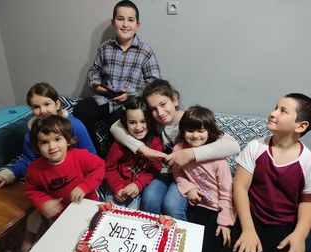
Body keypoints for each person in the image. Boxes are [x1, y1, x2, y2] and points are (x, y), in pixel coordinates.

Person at [110, 79, 240, 220]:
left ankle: (179, 239)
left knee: (172, 206)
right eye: (153, 109)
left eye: (163, 104)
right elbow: (115, 127)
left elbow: (233, 146)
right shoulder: (154, 121)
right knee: (149, 199)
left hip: (189, 175)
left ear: (175, 100)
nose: (160, 112)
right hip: (164, 172)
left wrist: (190, 153)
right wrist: (143, 149)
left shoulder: (191, 119)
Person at [232, 93, 311, 252]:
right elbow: (240, 187)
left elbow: (310, 202)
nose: (273, 113)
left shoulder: (309, 161)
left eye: (283, 111)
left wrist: (299, 235)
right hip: (250, 215)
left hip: (283, 224)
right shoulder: (255, 147)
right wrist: (248, 229)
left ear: (301, 126)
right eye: (275, 108)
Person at [73, 0, 160, 157]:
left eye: (130, 20)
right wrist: (96, 84)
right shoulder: (105, 48)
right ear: (113, 23)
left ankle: (118, 160)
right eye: (120, 19)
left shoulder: (145, 51)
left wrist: (131, 93)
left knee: (118, 121)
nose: (125, 24)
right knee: (81, 110)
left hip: (128, 103)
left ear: (137, 25)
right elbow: (95, 71)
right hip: (105, 99)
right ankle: (95, 156)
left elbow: (154, 83)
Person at [0, 82, 97, 190]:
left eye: (47, 104)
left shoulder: (75, 126)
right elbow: (29, 160)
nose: (43, 111)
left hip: (76, 177)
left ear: (57, 104)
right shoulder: (31, 134)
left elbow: (91, 156)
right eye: (36, 107)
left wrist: (85, 184)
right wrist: (7, 175)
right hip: (50, 178)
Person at [24, 115, 105, 252]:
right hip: (59, 214)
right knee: (66, 246)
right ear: (37, 146)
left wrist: (84, 186)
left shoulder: (80, 156)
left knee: (94, 239)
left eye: (57, 139)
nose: (52, 147)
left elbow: (99, 167)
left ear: (67, 140)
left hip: (87, 207)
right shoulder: (35, 168)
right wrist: (44, 201)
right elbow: (31, 189)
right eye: (44, 142)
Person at [172, 105, 236, 252]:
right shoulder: (178, 149)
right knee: (187, 245)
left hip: (216, 209)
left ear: (209, 131)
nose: (195, 136)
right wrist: (189, 188)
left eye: (200, 131)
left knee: (209, 250)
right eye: (190, 131)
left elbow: (227, 191)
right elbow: (177, 172)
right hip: (196, 205)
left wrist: (225, 221)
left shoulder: (218, 159)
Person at [104, 96, 162, 209]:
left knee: (133, 217)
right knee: (111, 214)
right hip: (116, 186)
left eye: (143, 121)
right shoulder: (120, 143)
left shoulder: (155, 142)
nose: (138, 127)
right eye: (132, 122)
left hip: (137, 188)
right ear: (125, 123)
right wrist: (117, 187)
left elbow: (154, 169)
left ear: (149, 121)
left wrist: (138, 184)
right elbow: (109, 169)